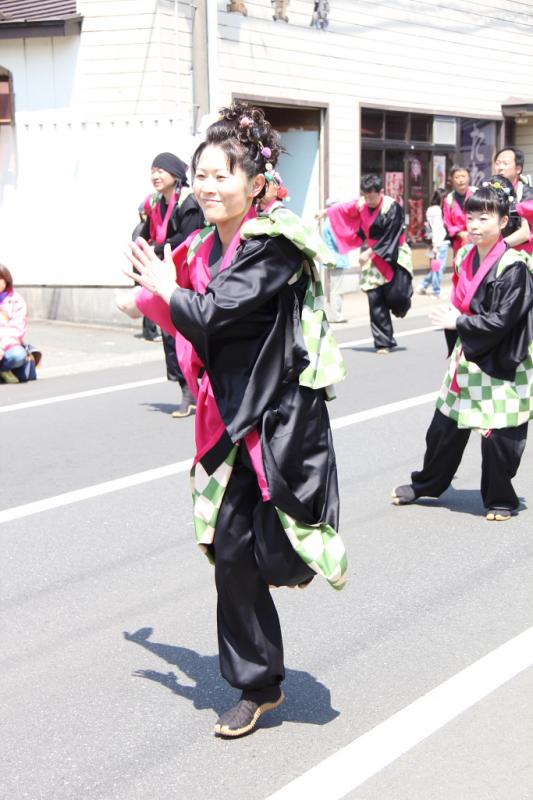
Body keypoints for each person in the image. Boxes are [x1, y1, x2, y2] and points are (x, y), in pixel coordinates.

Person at [124, 102, 348, 738]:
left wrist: (164, 292)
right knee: (229, 552)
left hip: (277, 421)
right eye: (203, 173)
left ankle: (283, 569)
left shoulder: (274, 245)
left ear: (255, 184)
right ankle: (257, 685)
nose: (208, 185)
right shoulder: (200, 244)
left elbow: (211, 312)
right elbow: (180, 300)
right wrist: (146, 292)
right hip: (227, 421)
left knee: (278, 549)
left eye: (223, 174)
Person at [391, 177, 533, 522]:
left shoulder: (514, 267)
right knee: (444, 427)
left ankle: (501, 499)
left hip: (502, 361)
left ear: (503, 222)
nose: (474, 224)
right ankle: (427, 483)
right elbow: (462, 302)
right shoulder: (467, 253)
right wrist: (454, 319)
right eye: (471, 217)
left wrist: (460, 323)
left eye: (484, 218)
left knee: (499, 435)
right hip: (468, 354)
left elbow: (503, 321)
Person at [139, 152, 205, 418]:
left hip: (187, 277)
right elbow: (146, 235)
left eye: (161, 170)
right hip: (165, 275)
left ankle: (200, 390)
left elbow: (188, 237)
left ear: (176, 176)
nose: (155, 175)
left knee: (188, 333)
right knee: (169, 335)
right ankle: (187, 390)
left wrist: (156, 248)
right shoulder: (156, 205)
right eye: (153, 170)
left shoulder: (188, 202)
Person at [316, 174, 413, 353]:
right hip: (373, 258)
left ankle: (402, 304)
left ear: (381, 192)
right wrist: (325, 213)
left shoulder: (392, 207)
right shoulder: (361, 204)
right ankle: (383, 342)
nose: (369, 200)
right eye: (366, 196)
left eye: (372, 196)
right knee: (375, 299)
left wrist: (369, 252)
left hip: (394, 253)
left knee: (396, 296)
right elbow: (344, 209)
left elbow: (391, 235)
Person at [493, 146, 533, 252]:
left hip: (523, 255)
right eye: (497, 163)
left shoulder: (527, 194)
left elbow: (526, 232)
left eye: (505, 163)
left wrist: (497, 248)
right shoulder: (490, 190)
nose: (500, 167)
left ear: (518, 169)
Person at [0, 264, 34, 384]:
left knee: (18, 354)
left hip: (7, 346)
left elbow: (16, 329)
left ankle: (3, 370)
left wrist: (1, 347)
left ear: (6, 280)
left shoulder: (16, 300)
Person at [418, 188, 449, 298]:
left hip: (434, 242)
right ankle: (436, 290)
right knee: (438, 268)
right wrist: (436, 245)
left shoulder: (430, 209)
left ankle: (423, 285)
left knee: (435, 267)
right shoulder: (438, 211)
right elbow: (436, 228)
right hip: (439, 242)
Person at [442, 165, 475, 256]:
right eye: (457, 177)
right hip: (459, 241)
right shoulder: (448, 200)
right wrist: (460, 233)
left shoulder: (476, 195)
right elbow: (447, 222)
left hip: (477, 238)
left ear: (468, 177)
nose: (461, 180)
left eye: (463, 176)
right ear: (452, 180)